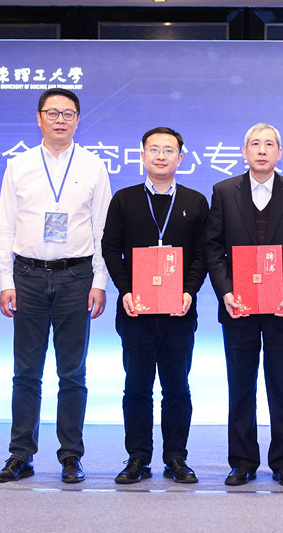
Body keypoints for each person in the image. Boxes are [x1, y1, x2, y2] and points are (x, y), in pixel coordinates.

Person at [0, 88, 111, 483]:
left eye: (68, 113)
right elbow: (5, 226)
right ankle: (20, 455)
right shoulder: (19, 165)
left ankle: (71, 456)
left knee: (72, 373)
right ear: (39, 117)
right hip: (26, 276)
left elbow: (102, 230)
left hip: (76, 277)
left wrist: (99, 281)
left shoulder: (93, 166)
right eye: (52, 112)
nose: (60, 120)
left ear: (78, 119)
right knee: (26, 372)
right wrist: (5, 279)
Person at [205, 123, 283, 487]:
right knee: (240, 385)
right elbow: (213, 248)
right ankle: (242, 461)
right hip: (239, 306)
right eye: (255, 144)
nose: (262, 150)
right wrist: (226, 292)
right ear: (244, 151)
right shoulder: (223, 192)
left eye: (269, 144)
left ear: (280, 153)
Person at [101, 127, 208, 484]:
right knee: (136, 388)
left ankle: (176, 458)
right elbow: (110, 248)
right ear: (142, 156)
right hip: (136, 311)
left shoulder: (195, 201)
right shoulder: (124, 199)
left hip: (179, 311)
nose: (161, 156)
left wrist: (189, 291)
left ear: (181, 157)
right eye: (154, 149)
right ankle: (138, 458)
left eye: (169, 150)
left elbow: (203, 254)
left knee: (177, 388)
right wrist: (125, 290)